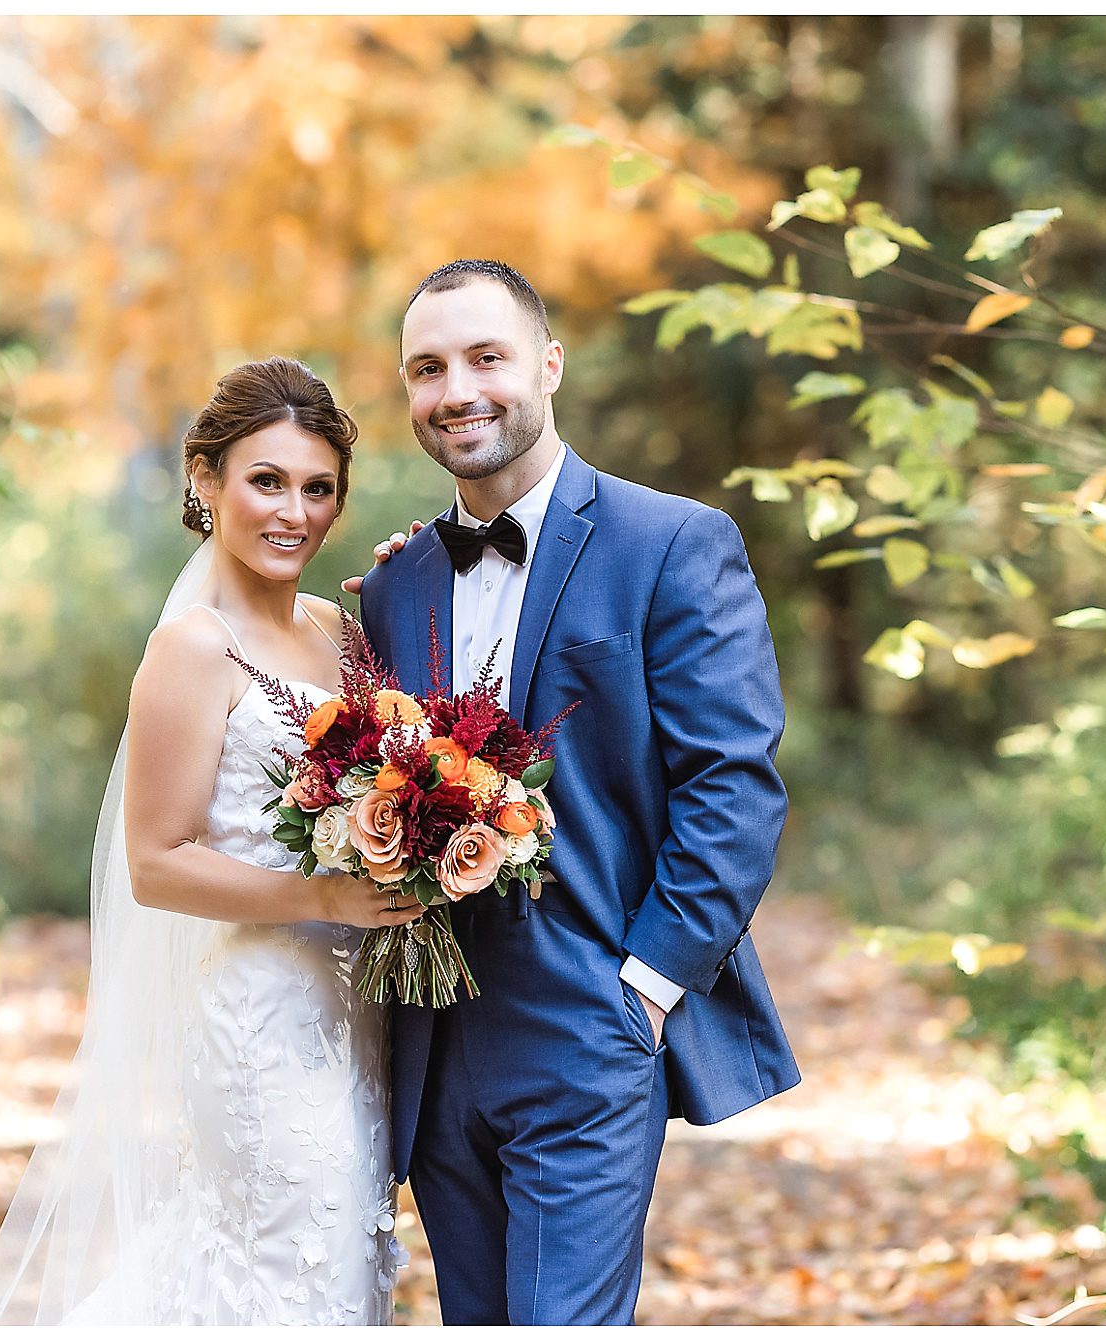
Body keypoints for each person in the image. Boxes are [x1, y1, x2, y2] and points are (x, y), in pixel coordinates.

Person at [354, 260, 796, 1325]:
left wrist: (643, 992)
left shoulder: (673, 544)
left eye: (485, 357)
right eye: (426, 369)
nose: (456, 389)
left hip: (591, 1021)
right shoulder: (392, 583)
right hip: (429, 1037)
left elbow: (730, 791)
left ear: (547, 365)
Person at [0, 357, 420, 1325]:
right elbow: (156, 863)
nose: (292, 512)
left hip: (355, 1015)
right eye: (265, 481)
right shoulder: (190, 649)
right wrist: (323, 899)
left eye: (317, 488)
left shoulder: (341, 635)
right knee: (287, 1263)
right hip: (256, 1019)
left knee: (342, 1258)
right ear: (203, 479)